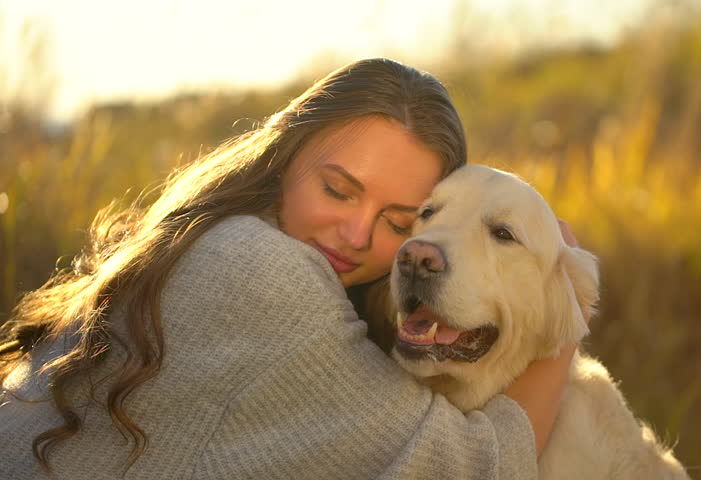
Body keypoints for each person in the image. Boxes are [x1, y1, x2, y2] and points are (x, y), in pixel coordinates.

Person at [0, 58, 580, 479]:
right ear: (285, 155)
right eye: (337, 189)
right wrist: (565, 311)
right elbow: (475, 467)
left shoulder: (206, 237)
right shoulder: (261, 272)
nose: (357, 236)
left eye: (399, 223)